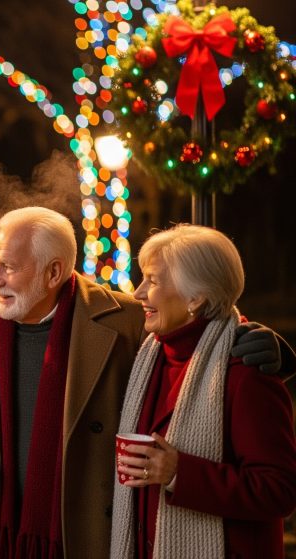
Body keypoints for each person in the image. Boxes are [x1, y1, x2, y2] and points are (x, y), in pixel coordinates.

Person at [0, 206, 290, 558]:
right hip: (5, 536)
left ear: (54, 272)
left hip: (94, 537)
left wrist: (270, 348)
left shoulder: (132, 324)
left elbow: (210, 338)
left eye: (8, 266)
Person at [110, 224, 296, 559]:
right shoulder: (149, 356)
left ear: (195, 298)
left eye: (152, 281)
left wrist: (180, 473)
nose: (137, 293)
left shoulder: (246, 373)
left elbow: (279, 491)